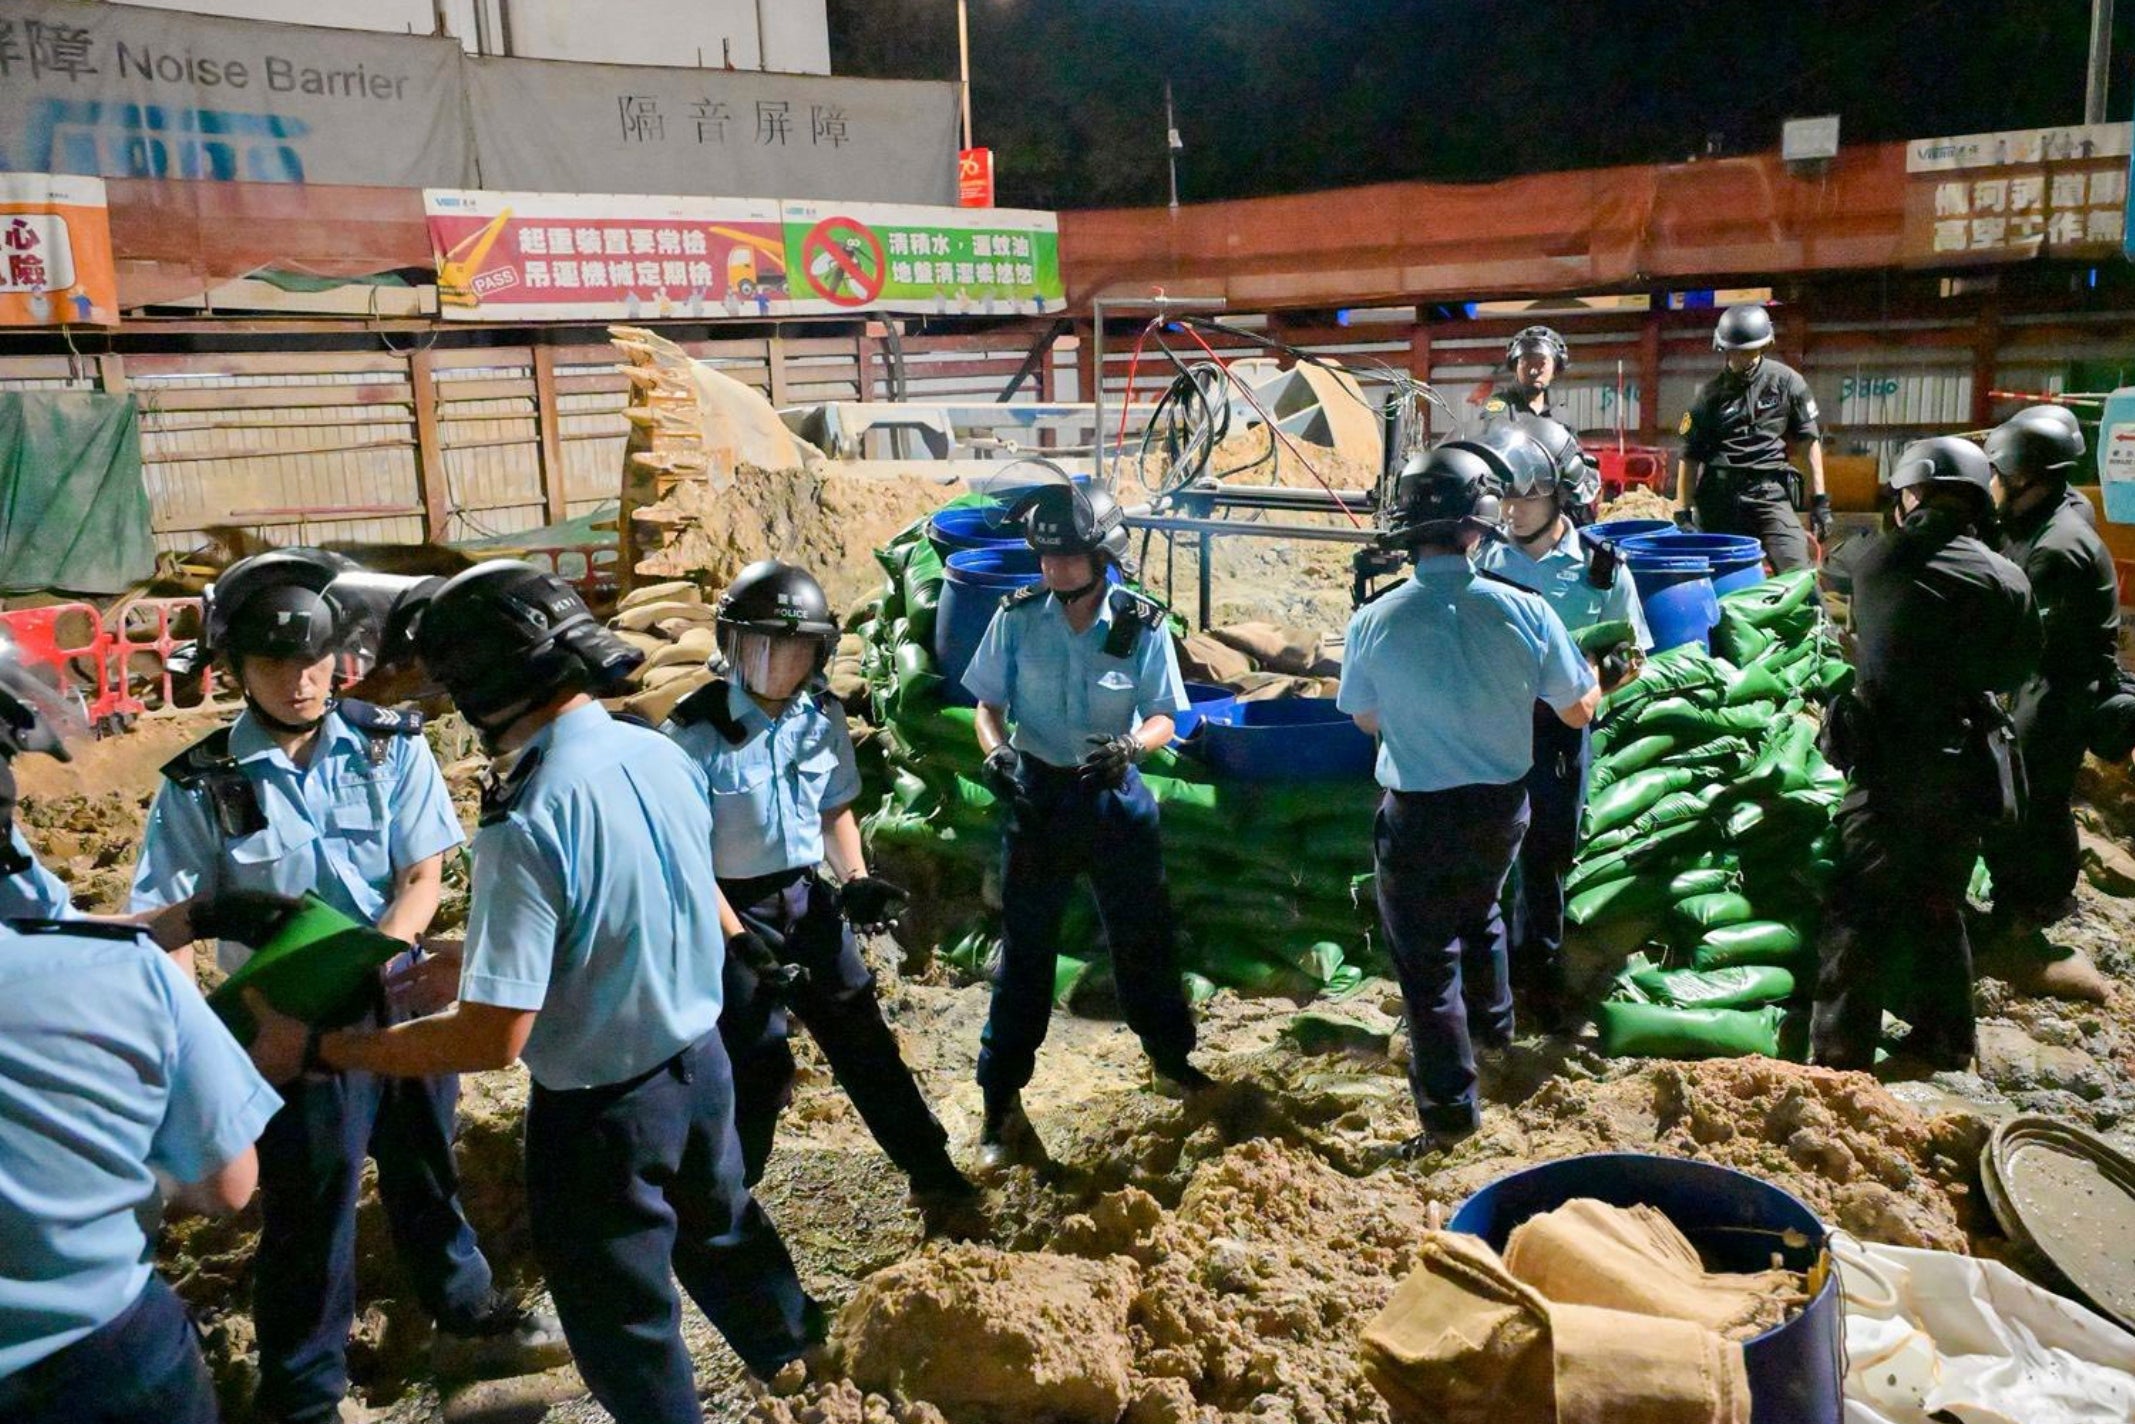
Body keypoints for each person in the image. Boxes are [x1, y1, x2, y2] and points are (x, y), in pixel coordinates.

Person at [256, 561, 824, 1424]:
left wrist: (336, 1049)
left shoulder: (524, 819)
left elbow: (493, 1039)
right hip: (700, 1070)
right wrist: (484, 953)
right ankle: (805, 1367)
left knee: (622, 1318)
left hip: (603, 1117)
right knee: (723, 1231)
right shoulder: (658, 751)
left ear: (488, 683)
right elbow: (644, 903)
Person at [129, 549, 561, 1424]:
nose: (302, 679)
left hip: (395, 992)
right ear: (237, 669)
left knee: (425, 1162)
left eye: (317, 659)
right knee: (310, 1203)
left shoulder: (384, 745)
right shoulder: (200, 786)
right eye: (277, 663)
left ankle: (468, 1318)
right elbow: (166, 921)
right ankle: (306, 1388)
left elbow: (421, 878)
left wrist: (378, 959)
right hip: (281, 1019)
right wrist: (202, 1040)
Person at [0, 665, 281, 1424]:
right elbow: (225, 1188)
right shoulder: (122, 981)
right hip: (98, 1349)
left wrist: (186, 920)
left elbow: (44, 926)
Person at [663, 559, 979, 1227]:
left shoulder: (819, 716)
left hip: (806, 900)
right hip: (726, 909)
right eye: (762, 647)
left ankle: (932, 1174)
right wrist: (738, 943)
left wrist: (855, 878)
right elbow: (683, 858)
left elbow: (832, 808)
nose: (777, 664)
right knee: (752, 1065)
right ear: (730, 645)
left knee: (864, 1042)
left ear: (817, 653)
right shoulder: (693, 733)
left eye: (794, 648)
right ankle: (728, 1207)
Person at [1339, 438, 1599, 1154]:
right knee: (1481, 907)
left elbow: (1363, 717)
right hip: (1501, 809)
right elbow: (1575, 710)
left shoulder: (1375, 620)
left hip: (1417, 812)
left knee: (1426, 969)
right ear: (1480, 525)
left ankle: (1450, 1118)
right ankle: (1494, 1033)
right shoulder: (1525, 610)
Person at [961, 479, 1212, 1172]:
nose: (1051, 570)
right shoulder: (1016, 618)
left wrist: (1134, 747)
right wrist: (996, 750)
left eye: (1066, 557)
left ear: (1102, 556)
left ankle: (1169, 1062)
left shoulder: (1141, 624)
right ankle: (999, 1105)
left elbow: (1167, 714)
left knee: (1142, 940)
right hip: (1038, 800)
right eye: (1044, 558)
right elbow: (986, 702)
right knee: (1025, 957)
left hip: (1111, 795)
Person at [1811, 438, 2040, 1073]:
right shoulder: (2007, 576)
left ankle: (1840, 1053)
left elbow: (1853, 619)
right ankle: (1947, 1041)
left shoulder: (1879, 559)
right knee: (1940, 903)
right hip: (1963, 768)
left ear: (1913, 494)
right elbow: (2017, 666)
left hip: (1888, 768)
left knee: (1857, 908)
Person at [1474, 418, 1650, 1030]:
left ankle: (1539, 984)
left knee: (1546, 859)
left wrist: (1586, 692)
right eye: (1507, 497)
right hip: (1491, 728)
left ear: (1562, 495)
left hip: (1559, 735)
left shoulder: (1601, 571)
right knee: (1485, 856)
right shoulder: (1480, 561)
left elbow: (1632, 656)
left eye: (1529, 496)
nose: (1515, 509)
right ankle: (1485, 989)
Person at [1981, 406, 2120, 932]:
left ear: (2024, 477)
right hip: (2052, 669)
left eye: (1998, 474)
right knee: (2039, 791)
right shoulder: (2053, 509)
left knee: (2033, 789)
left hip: (2061, 681)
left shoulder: (2056, 547)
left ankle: (2040, 901)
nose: (1992, 482)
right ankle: (2039, 895)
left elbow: (2017, 634)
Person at [1675, 304, 1830, 572]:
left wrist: (1820, 502)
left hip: (1769, 494)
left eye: (1751, 351)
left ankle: (1813, 614)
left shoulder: (1786, 383)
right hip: (1720, 499)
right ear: (1723, 348)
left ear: (1765, 345)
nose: (1744, 358)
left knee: (1799, 577)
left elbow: (1809, 442)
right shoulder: (1708, 397)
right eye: (1737, 352)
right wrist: (1683, 512)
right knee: (1714, 580)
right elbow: (1689, 457)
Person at [1474, 325, 1567, 434]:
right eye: (1526, 363)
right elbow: (1491, 438)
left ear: (1555, 370)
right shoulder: (1500, 406)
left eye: (1541, 364)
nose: (1533, 371)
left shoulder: (1560, 412)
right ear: (1515, 368)